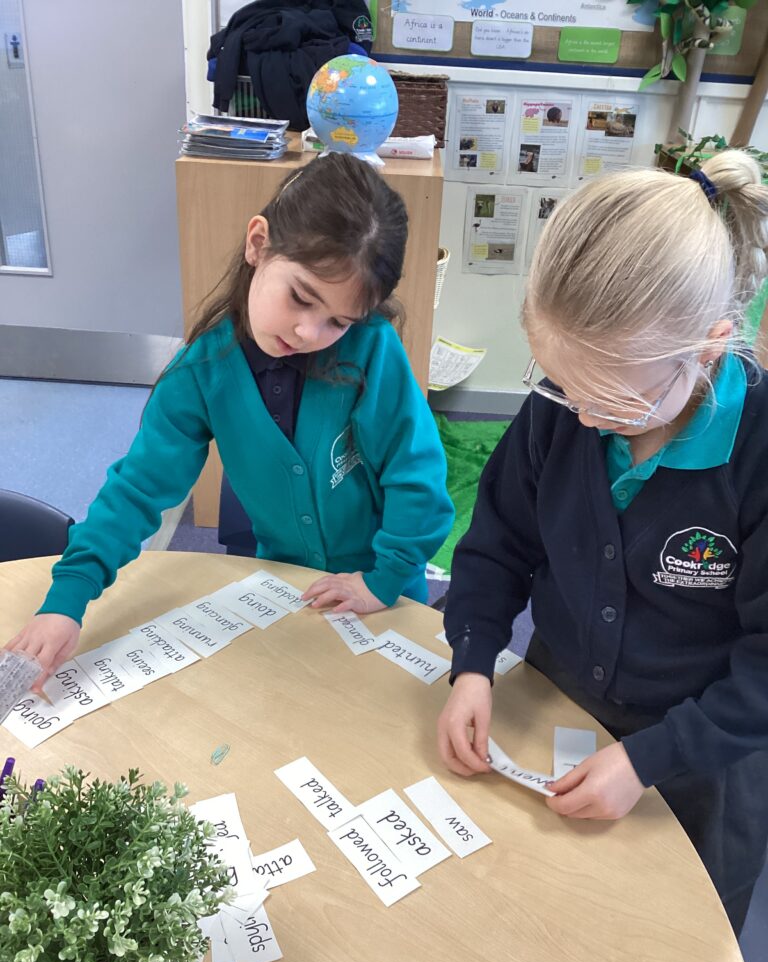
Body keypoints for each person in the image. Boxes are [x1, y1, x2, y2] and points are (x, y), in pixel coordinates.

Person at [437, 151, 768, 935]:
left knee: (668, 942)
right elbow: (496, 543)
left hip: (704, 753)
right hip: (558, 700)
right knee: (536, 913)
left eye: (613, 398)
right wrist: (474, 661)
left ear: (710, 346)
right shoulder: (568, 406)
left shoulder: (756, 453)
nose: (584, 417)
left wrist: (650, 758)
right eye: (561, 385)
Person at [7, 153, 453, 687]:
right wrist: (67, 600)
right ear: (258, 244)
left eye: (337, 321)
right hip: (288, 588)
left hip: (385, 590)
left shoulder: (371, 349)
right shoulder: (203, 370)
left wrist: (383, 579)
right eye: (300, 298)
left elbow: (417, 478)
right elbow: (138, 490)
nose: (309, 333)